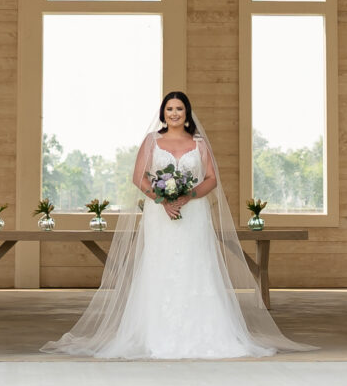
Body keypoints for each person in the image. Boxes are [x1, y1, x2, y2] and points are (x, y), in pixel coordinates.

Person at [44, 90, 312, 359]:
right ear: (163, 113)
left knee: (195, 265)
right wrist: (163, 200)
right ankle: (155, 332)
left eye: (179, 109)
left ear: (187, 113)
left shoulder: (199, 143)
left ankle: (203, 332)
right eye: (169, 109)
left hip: (193, 213)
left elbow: (210, 178)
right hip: (159, 214)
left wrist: (187, 196)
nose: (174, 113)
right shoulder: (152, 141)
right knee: (159, 264)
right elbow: (139, 177)